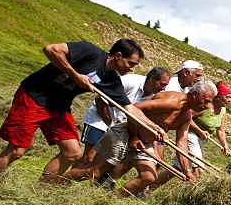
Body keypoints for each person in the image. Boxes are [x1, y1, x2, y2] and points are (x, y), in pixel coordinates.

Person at [0, 39, 164, 184]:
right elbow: (50, 49)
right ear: (118, 55)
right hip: (33, 97)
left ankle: (41, 189)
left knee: (73, 153)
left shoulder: (111, 80)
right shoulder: (90, 51)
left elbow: (130, 109)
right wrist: (75, 75)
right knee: (16, 151)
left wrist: (155, 127)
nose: (132, 69)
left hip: (58, 108)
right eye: (131, 63)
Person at [63, 80, 217, 197]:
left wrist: (187, 171)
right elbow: (133, 109)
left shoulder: (186, 115)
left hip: (145, 139)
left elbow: (181, 144)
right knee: (94, 171)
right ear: (196, 94)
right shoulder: (171, 102)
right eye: (207, 101)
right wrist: (134, 136)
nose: (207, 107)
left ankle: (108, 201)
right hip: (125, 129)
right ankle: (57, 183)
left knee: (148, 177)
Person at [74, 65, 171, 168]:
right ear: (152, 78)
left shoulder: (153, 97)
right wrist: (110, 124)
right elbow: (100, 99)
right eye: (162, 84)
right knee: (89, 157)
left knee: (104, 162)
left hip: (118, 127)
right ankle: (64, 180)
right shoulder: (130, 81)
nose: (163, 88)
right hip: (99, 120)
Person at [190, 81, 231, 157]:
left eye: (230, 97)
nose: (229, 100)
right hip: (190, 136)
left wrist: (225, 146)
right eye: (227, 97)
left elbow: (220, 130)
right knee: (198, 167)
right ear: (218, 96)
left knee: (179, 167)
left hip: (201, 141)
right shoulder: (206, 106)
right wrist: (199, 131)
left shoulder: (223, 110)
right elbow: (186, 117)